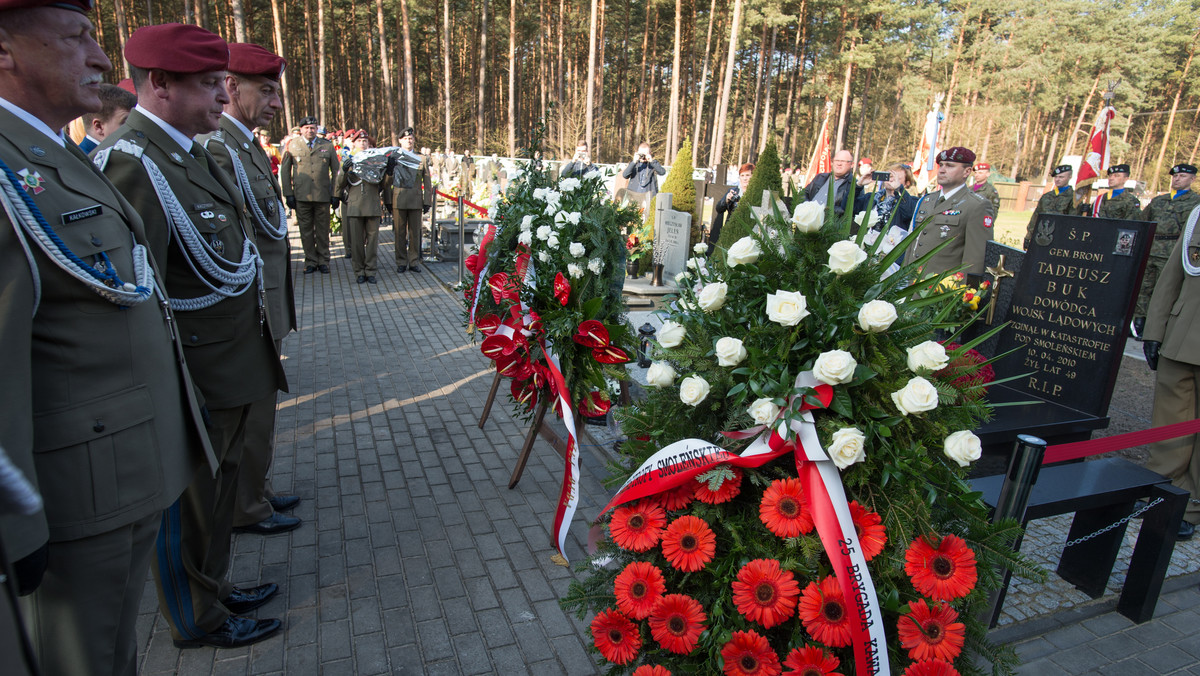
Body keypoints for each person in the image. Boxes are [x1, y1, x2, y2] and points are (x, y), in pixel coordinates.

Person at [0, 5, 217, 674]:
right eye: (78, 39)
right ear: (6, 49)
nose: (100, 59)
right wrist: (15, 527)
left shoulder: (48, 151)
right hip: (66, 501)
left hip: (114, 479)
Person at [96, 22, 288, 650]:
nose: (222, 97)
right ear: (159, 84)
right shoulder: (134, 163)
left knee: (222, 487)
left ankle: (215, 585)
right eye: (208, 85)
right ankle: (194, 616)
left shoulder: (187, 152)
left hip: (230, 361)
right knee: (191, 501)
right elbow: (136, 290)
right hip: (193, 373)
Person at [197, 42, 301, 537]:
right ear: (232, 87)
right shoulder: (220, 147)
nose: (277, 103)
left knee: (260, 412)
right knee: (249, 415)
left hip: (263, 303)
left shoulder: (242, 146)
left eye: (276, 92)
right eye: (267, 90)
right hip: (247, 307)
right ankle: (246, 504)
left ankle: (252, 492)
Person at [1140, 204, 1200, 541]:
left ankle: (1192, 506)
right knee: (1169, 422)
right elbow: (1172, 277)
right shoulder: (1198, 214)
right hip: (1180, 336)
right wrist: (1155, 330)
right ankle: (1159, 491)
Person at [904, 146, 995, 280]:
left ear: (967, 171)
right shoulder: (927, 200)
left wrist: (960, 295)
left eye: (950, 166)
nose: (942, 170)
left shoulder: (977, 205)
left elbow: (975, 260)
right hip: (909, 284)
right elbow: (913, 245)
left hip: (939, 290)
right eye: (941, 165)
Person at [1134, 164, 1200, 338]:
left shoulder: (1196, 203)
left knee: (1165, 290)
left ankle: (1157, 328)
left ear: (1192, 179)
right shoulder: (1159, 201)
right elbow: (1143, 222)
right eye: (1175, 176)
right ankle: (1138, 323)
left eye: (1183, 176)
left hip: (1173, 253)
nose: (1177, 179)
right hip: (1151, 249)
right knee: (1143, 287)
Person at [280, 114, 340, 273]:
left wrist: (336, 193)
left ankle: (324, 260)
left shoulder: (327, 146)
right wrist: (288, 194)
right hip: (302, 196)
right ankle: (311, 261)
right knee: (305, 231)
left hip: (322, 196)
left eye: (313, 128)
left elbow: (336, 171)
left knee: (323, 230)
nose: (310, 131)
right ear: (301, 130)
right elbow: (285, 172)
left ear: (316, 129)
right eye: (306, 128)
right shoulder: (292, 145)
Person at [336, 130, 389, 284]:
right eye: (359, 141)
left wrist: (389, 171)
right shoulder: (348, 159)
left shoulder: (376, 160)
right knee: (357, 242)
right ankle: (359, 270)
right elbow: (340, 184)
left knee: (372, 241)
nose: (363, 144)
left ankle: (370, 270)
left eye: (365, 141)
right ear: (354, 143)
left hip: (372, 204)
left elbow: (384, 184)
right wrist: (344, 171)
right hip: (355, 205)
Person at [391, 126, 434, 273]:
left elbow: (427, 181)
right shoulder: (394, 157)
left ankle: (414, 261)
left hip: (415, 200)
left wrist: (427, 200)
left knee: (415, 233)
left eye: (411, 138)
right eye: (405, 139)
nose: (409, 141)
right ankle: (401, 261)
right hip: (399, 199)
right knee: (399, 232)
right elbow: (388, 179)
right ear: (400, 141)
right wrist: (387, 200)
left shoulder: (421, 158)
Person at [854, 162, 919, 232]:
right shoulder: (871, 198)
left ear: (906, 183)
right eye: (889, 176)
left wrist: (899, 189)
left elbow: (908, 213)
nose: (891, 180)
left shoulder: (911, 201)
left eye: (897, 178)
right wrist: (858, 185)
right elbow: (847, 207)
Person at [1023, 164, 1075, 248]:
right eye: (1056, 177)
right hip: (1040, 238)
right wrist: (1028, 236)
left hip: (1060, 239)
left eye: (1061, 177)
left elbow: (1073, 222)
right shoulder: (1046, 196)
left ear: (1070, 177)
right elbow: (1035, 217)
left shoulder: (1073, 198)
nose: (1057, 180)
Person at [707, 162, 754, 254]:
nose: (744, 178)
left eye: (748, 175)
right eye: (742, 175)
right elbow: (719, 208)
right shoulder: (734, 191)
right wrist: (726, 200)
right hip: (730, 231)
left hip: (747, 233)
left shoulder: (755, 193)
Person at [77, 82, 135, 153]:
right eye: (125, 123)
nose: (134, 129)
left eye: (133, 121)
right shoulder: (84, 161)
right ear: (99, 127)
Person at [804, 149, 856, 217]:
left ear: (852, 164)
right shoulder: (820, 177)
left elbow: (850, 209)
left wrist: (824, 211)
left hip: (830, 224)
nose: (839, 164)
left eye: (843, 161)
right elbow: (804, 194)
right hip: (807, 218)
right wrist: (806, 206)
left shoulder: (854, 185)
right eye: (836, 160)